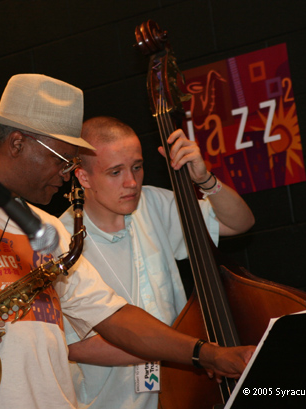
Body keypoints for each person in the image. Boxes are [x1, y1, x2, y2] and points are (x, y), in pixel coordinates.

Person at [0, 74, 254, 409]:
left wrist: (208, 353)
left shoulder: (47, 229)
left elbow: (116, 317)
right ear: (17, 143)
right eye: (63, 159)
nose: (68, 172)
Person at [59, 116, 255, 409]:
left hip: (182, 393)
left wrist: (205, 179)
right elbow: (74, 347)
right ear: (83, 177)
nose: (131, 182)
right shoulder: (60, 238)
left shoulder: (154, 204)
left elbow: (240, 222)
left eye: (137, 167)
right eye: (115, 172)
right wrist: (194, 351)